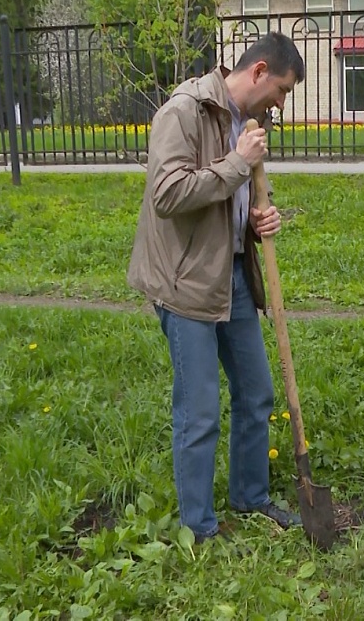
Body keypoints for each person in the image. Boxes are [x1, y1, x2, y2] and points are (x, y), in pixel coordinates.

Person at [127, 33, 305, 543]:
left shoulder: (250, 123)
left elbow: (231, 198)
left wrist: (257, 219)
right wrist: (237, 164)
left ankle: (250, 495)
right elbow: (167, 194)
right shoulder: (183, 111)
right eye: (282, 89)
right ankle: (199, 529)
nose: (281, 103)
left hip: (233, 275)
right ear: (259, 71)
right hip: (186, 283)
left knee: (256, 392)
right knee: (200, 410)